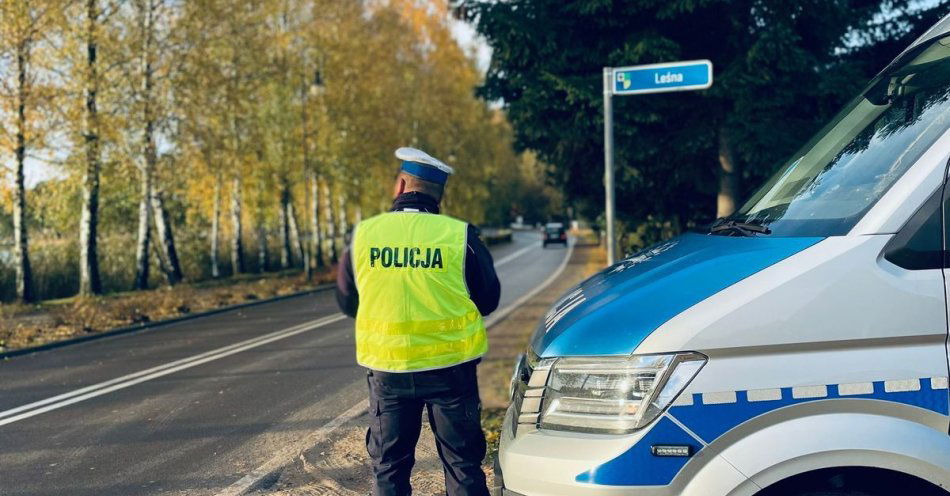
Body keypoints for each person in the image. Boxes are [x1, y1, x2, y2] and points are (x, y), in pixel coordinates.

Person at [335, 147, 500, 496]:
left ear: (400, 186)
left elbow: (348, 302)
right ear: (439, 196)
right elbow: (489, 300)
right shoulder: (459, 236)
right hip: (450, 370)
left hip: (389, 371)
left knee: (389, 469)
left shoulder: (364, 235)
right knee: (462, 466)